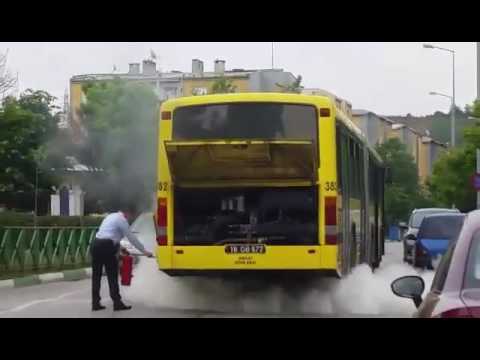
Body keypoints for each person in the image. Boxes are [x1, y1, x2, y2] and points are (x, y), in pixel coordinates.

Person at [91, 203, 153, 311]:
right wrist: (145, 251)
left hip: (95, 244)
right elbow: (132, 238)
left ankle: (95, 303)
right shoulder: (122, 220)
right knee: (112, 275)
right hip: (106, 246)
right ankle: (117, 303)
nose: (131, 219)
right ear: (128, 213)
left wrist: (120, 248)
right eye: (132, 216)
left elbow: (110, 234)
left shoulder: (111, 216)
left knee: (96, 275)